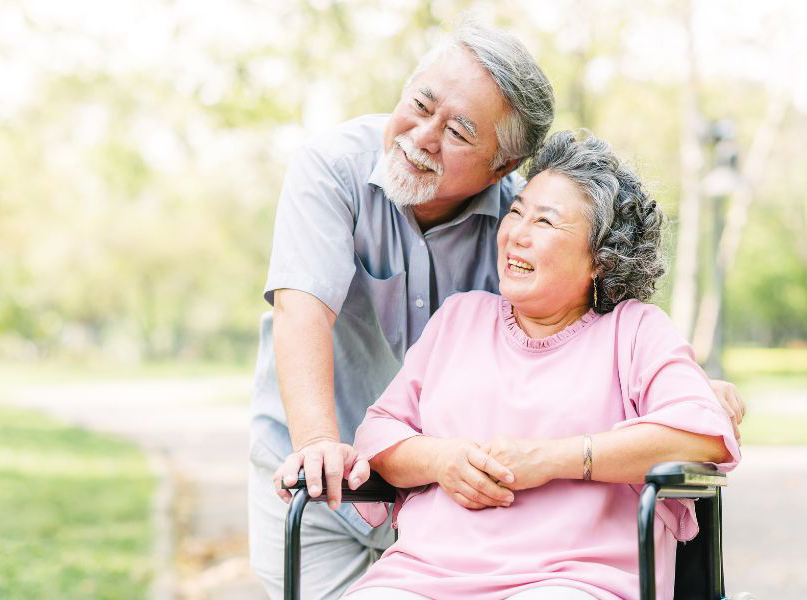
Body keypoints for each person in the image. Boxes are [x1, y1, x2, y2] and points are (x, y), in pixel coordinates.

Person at [252, 22, 745, 600]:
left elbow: (612, 337)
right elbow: (304, 313)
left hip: (559, 573)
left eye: (459, 131)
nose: (424, 135)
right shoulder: (338, 175)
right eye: (420, 104)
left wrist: (681, 386)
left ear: (500, 168)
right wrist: (343, 445)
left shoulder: (534, 227)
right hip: (331, 474)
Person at [342, 131, 741, 600]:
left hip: (572, 579)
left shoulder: (635, 331)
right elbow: (378, 433)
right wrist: (440, 458)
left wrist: (552, 459)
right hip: (423, 575)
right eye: (516, 212)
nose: (516, 234)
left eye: (546, 222)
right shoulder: (458, 318)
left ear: (600, 258)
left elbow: (703, 436)